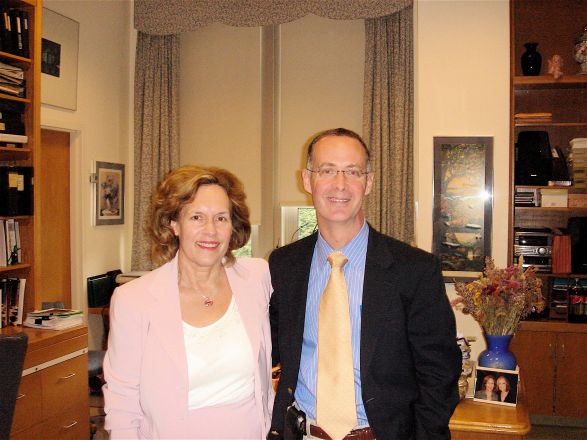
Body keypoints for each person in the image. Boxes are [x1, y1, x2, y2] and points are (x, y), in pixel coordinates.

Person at [268, 128, 462, 439]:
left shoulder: (415, 270)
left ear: (368, 182)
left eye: (352, 172)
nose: (340, 184)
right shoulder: (283, 266)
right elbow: (268, 348)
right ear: (307, 180)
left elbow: (439, 375)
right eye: (327, 170)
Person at [103, 165, 274, 439]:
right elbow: (122, 401)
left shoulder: (256, 277)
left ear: (233, 226)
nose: (211, 231)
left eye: (221, 218)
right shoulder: (134, 300)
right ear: (174, 224)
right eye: (196, 217)